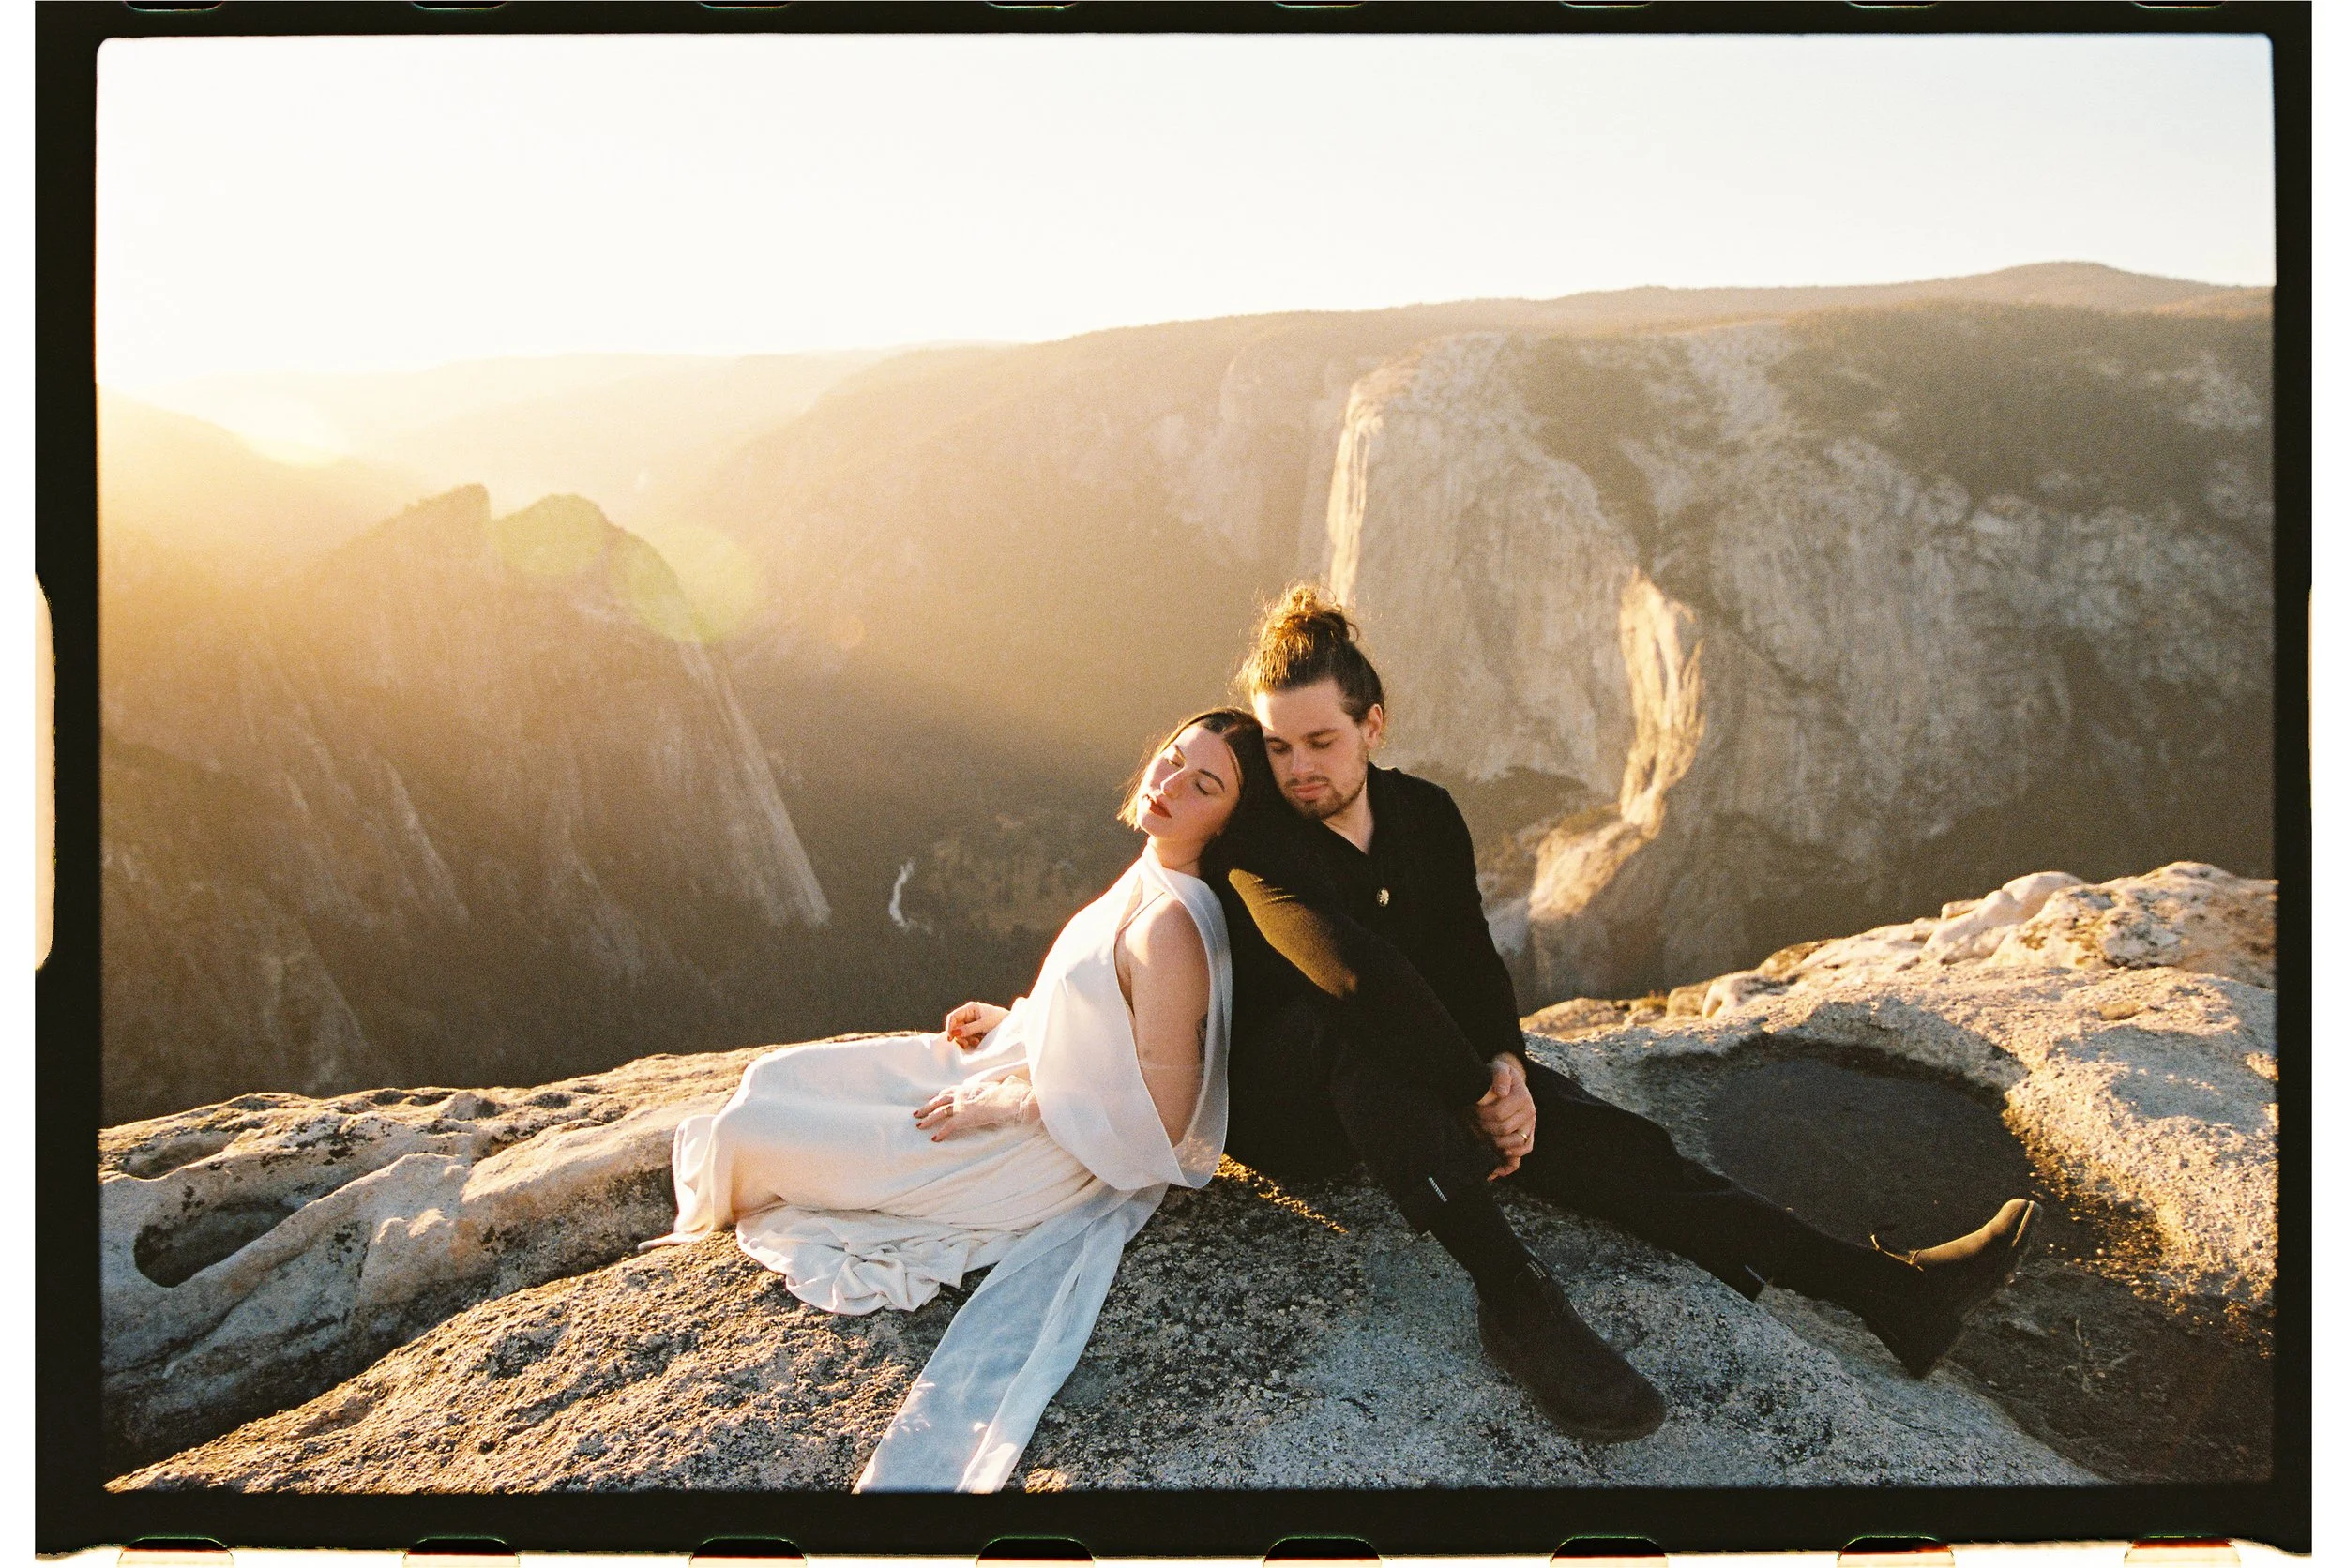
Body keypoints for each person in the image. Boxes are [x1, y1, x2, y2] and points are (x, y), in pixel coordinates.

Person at [1201, 585, 2037, 1444]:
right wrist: (1473, 1092)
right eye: (1277, 746)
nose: (1298, 768)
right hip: (1292, 1106)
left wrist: (1508, 1069)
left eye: (1320, 741)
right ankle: (1516, 1298)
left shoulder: (1425, 814)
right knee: (1353, 1033)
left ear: (1373, 725)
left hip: (1417, 1074)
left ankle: (1889, 1292)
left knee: (1617, 1146)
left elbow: (1469, 958)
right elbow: (1353, 978)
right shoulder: (1260, 847)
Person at [643, 708, 1276, 1491]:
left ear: (1231, 820)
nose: (1170, 783)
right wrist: (1020, 1024)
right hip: (1019, 1082)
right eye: (1173, 758)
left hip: (1041, 1154)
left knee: (753, 1129)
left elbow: (1165, 1119)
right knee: (775, 1078)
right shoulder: (1155, 871)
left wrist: (1015, 1106)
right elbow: (1104, 1018)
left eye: (1203, 784)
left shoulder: (1172, 930)